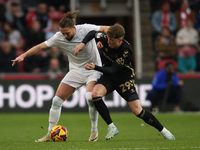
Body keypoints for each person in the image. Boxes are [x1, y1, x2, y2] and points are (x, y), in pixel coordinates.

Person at [11, 10, 109, 142]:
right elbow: (40, 47)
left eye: (67, 32)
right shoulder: (59, 37)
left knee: (89, 98)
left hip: (93, 69)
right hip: (75, 71)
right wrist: (23, 55)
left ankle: (94, 131)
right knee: (56, 101)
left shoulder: (85, 29)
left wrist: (106, 40)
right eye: (62, 33)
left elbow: (106, 29)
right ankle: (50, 134)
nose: (65, 35)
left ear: (74, 28)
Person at [74, 23, 175, 140]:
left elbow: (113, 69)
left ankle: (163, 130)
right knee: (95, 95)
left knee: (138, 111)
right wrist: (82, 44)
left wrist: (94, 67)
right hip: (108, 77)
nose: (109, 42)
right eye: (108, 39)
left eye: (112, 40)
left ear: (120, 40)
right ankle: (111, 126)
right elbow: (92, 33)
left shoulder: (126, 50)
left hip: (124, 79)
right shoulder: (105, 38)